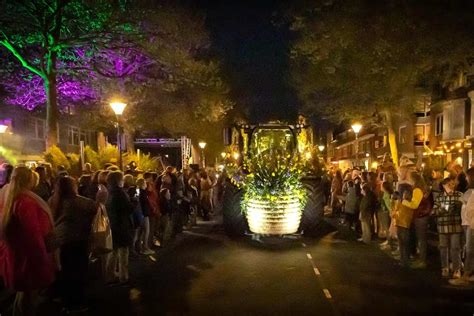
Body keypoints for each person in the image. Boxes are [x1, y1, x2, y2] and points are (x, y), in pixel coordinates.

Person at [0, 166, 56, 316]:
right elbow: (33, 233)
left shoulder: (10, 198)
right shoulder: (25, 202)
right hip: (28, 257)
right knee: (28, 297)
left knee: (24, 294)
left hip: (17, 254)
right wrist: (42, 257)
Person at [49, 176, 96, 313]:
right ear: (73, 186)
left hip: (58, 241)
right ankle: (76, 303)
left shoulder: (53, 201)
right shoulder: (82, 202)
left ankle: (64, 300)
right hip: (77, 241)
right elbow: (96, 211)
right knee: (78, 273)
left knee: (63, 272)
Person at [106, 171, 134, 284]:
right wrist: (134, 202)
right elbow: (128, 209)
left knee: (113, 252)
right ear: (118, 180)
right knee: (123, 253)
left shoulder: (109, 192)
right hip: (122, 225)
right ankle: (124, 277)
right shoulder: (120, 194)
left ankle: (110, 275)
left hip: (113, 225)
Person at [433, 177, 463, 278]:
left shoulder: (459, 195)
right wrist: (444, 209)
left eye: (453, 184)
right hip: (443, 226)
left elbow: (464, 210)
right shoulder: (440, 197)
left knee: (455, 248)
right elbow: (434, 212)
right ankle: (445, 267)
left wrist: (458, 208)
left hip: (456, 226)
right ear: (443, 186)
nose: (451, 186)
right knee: (443, 248)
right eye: (449, 184)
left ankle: (456, 269)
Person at [450, 167, 474, 285]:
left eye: (468, 177)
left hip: (472, 225)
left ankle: (466, 275)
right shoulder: (472, 192)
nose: (466, 180)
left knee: (470, 250)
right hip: (470, 223)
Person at [402, 171, 431, 269]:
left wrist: (405, 201)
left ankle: (422, 261)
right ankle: (421, 259)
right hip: (422, 216)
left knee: (421, 239)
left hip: (420, 216)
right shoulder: (421, 189)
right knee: (421, 239)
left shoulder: (417, 190)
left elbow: (415, 205)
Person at [137, 178, 154, 255]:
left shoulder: (140, 192)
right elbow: (143, 204)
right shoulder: (142, 193)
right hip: (144, 214)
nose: (146, 185)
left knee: (141, 232)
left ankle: (140, 247)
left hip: (143, 213)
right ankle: (145, 247)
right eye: (144, 183)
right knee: (146, 231)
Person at [379, 181, 393, 245]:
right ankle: (388, 241)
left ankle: (389, 242)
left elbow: (388, 204)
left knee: (386, 227)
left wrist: (390, 211)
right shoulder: (388, 193)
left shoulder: (386, 194)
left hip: (386, 212)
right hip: (387, 211)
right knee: (387, 227)